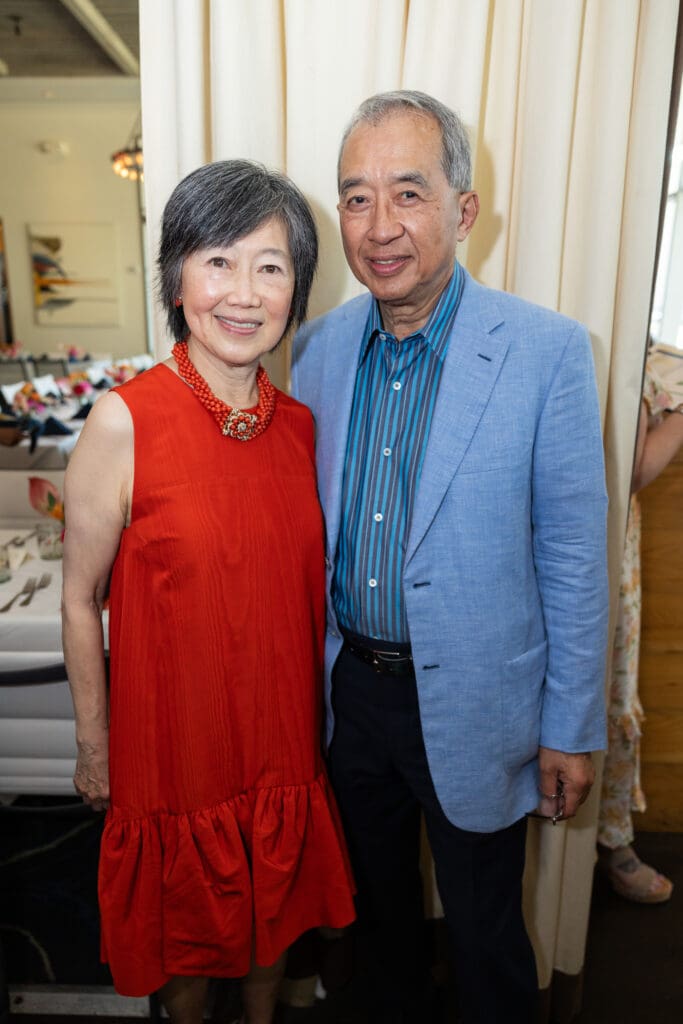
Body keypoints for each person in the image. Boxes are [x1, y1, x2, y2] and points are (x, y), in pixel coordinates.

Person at [291, 90, 609, 1024]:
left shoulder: (546, 352)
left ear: (464, 211)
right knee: (380, 926)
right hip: (355, 695)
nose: (379, 227)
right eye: (355, 197)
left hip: (481, 698)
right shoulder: (313, 349)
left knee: (483, 938)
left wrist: (569, 726)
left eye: (408, 193)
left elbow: (573, 555)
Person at [62, 159, 355, 1024]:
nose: (243, 291)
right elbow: (80, 599)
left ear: (295, 288)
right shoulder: (124, 420)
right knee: (186, 954)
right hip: (173, 746)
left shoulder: (300, 429)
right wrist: (94, 744)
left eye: (270, 266)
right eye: (216, 260)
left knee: (271, 930)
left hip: (278, 741)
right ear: (177, 276)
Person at [597, 350, 683, 902]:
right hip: (568, 533)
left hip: (614, 546)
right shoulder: (631, 352)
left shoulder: (662, 361)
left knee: (613, 690)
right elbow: (630, 468)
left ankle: (614, 841)